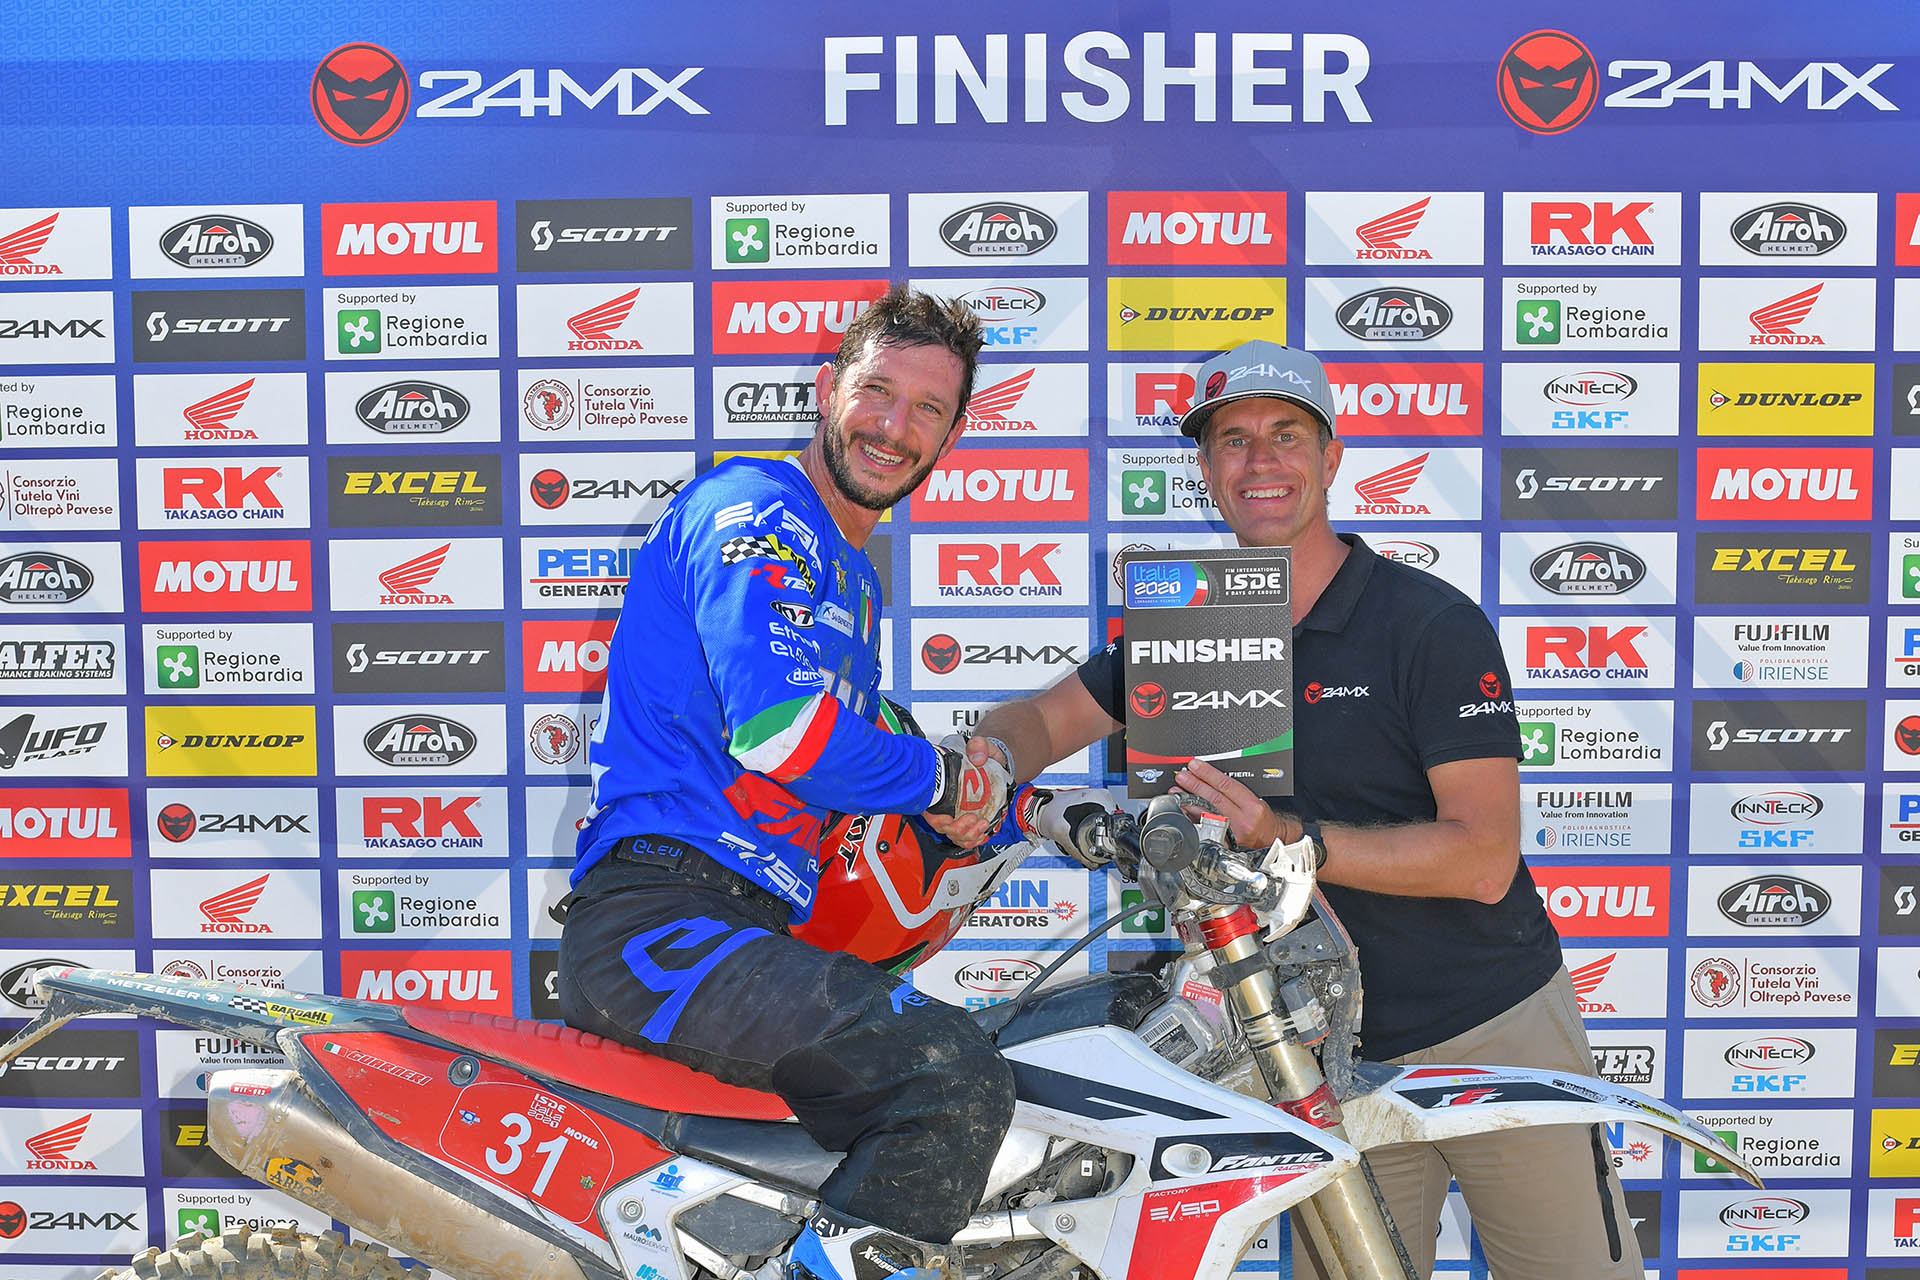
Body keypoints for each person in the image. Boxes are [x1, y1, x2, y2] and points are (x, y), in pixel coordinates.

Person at [966, 339, 1642, 1280]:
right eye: (1232, 441)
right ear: (1207, 471)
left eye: (1286, 435)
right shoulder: (1190, 624)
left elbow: (1484, 859)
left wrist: (1295, 841)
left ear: (1331, 457)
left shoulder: (1428, 623)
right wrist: (991, 761)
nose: (1260, 461)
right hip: (1316, 1050)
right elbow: (1044, 719)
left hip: (1486, 1022)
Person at [559, 286, 1014, 1280]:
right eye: (876, 391)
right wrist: (941, 779)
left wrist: (1013, 806)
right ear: (825, 389)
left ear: (951, 435)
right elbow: (784, 731)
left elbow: (870, 759)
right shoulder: (759, 509)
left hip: (744, 926)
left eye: (927, 408)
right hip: (660, 918)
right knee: (949, 1077)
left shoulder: (854, 580)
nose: (893, 427)